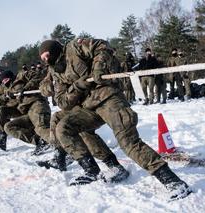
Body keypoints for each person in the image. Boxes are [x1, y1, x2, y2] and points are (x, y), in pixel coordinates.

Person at [39, 39, 191, 200]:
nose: (46, 60)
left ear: (55, 50)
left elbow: (102, 46)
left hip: (108, 97)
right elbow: (62, 102)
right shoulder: (54, 71)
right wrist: (78, 87)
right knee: (64, 126)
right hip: (87, 107)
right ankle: (98, 170)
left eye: (47, 55)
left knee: (128, 142)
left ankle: (174, 182)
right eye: (42, 59)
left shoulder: (74, 47)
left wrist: (98, 66)